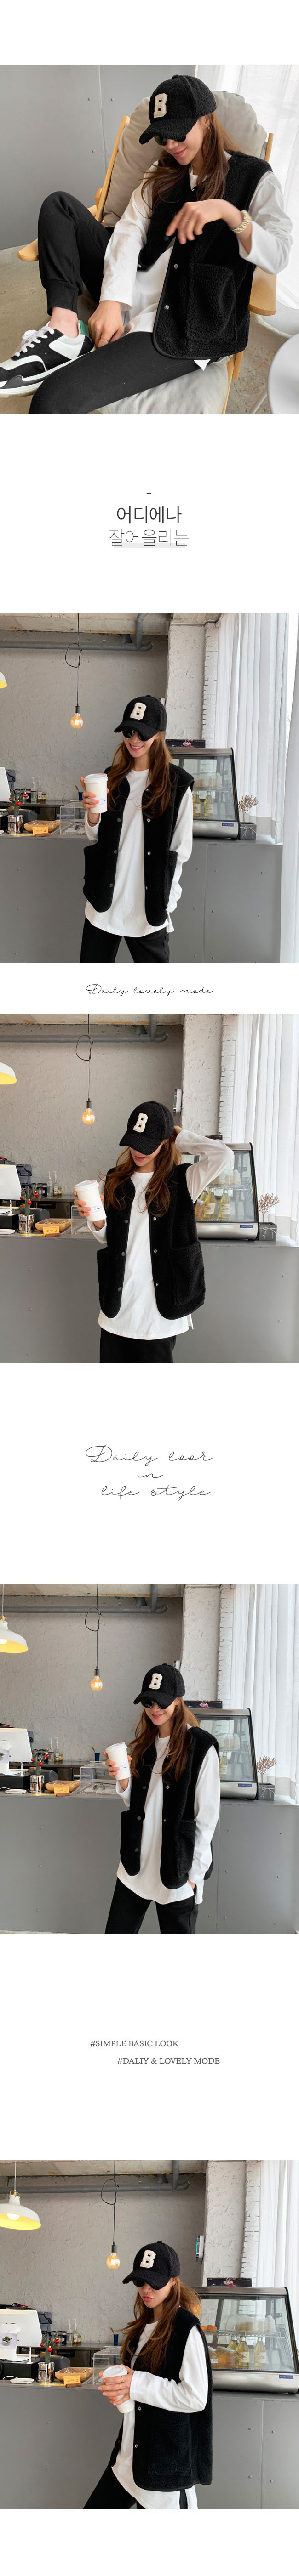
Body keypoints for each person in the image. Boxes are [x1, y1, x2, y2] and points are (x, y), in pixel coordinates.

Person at [0, 74, 291, 413]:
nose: (171, 145)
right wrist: (111, 301)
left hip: (185, 319)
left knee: (51, 400)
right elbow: (129, 230)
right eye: (162, 137)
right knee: (59, 206)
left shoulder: (256, 178)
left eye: (178, 133)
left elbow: (279, 255)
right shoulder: (163, 171)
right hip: (134, 282)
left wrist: (230, 214)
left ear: (206, 120)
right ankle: (64, 329)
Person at [73, 1095, 234, 1362]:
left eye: (148, 1145)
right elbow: (109, 1239)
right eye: (135, 1143)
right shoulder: (115, 1180)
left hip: (158, 1309)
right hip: (119, 1304)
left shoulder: (184, 1180)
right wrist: (97, 1221)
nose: (139, 1151)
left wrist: (179, 1135)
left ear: (165, 1142)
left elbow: (223, 1155)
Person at [85, 2237, 213, 2508]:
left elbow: (196, 2398)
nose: (146, 2289)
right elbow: (141, 2391)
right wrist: (123, 2392)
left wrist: (135, 2384)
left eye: (155, 2282)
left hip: (163, 2468)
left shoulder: (186, 2329)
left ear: (174, 2282)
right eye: (140, 2282)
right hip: (127, 2459)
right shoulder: (142, 2328)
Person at [104, 1662, 220, 1933]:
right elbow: (141, 1807)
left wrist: (194, 1876)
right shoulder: (145, 1746)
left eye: (163, 1702)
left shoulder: (201, 1747)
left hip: (177, 1869)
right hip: (135, 1866)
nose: (155, 1708)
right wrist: (124, 1781)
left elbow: (207, 1817)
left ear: (178, 1700)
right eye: (149, 1702)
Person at [80, 695, 194, 965]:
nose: (134, 740)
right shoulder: (111, 778)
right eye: (129, 732)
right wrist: (93, 814)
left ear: (158, 735)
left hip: (148, 908)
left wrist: (167, 901)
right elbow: (96, 838)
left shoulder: (177, 785)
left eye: (143, 733)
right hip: (104, 904)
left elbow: (180, 851)